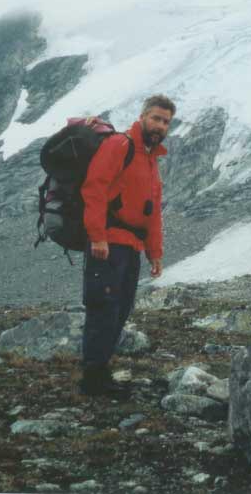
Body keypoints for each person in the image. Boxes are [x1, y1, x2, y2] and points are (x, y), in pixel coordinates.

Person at [78, 94, 175, 397]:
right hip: (107, 243)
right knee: (103, 308)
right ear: (143, 116)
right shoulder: (121, 145)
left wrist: (154, 254)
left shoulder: (150, 160)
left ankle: (100, 374)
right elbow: (94, 186)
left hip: (131, 247)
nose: (160, 125)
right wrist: (97, 235)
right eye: (156, 118)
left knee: (120, 310)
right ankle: (92, 380)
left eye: (166, 122)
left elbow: (152, 212)